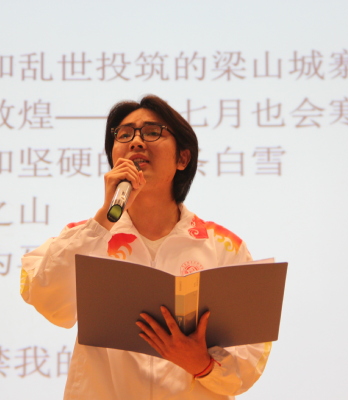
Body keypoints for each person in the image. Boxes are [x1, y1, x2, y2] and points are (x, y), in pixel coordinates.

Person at [20, 95, 271, 399]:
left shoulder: (224, 247)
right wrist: (103, 219)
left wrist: (202, 364)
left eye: (153, 132)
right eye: (124, 135)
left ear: (183, 159)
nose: (136, 142)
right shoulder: (85, 236)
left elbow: (250, 357)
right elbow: (48, 300)